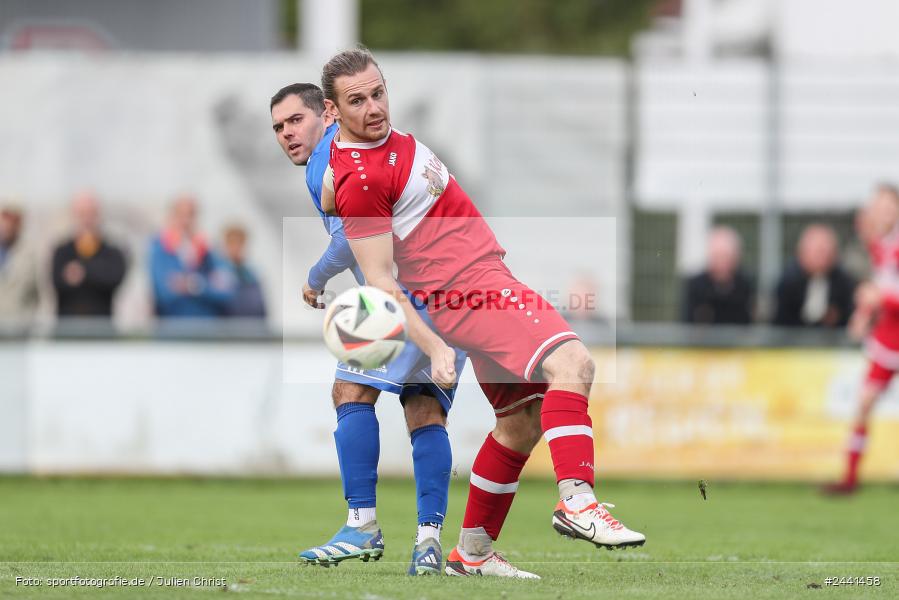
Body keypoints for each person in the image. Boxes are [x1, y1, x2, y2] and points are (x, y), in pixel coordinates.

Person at [322, 48, 645, 578]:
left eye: (378, 92)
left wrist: (334, 176)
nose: (375, 107)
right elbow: (380, 280)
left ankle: (471, 552)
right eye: (357, 100)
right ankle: (578, 501)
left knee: (522, 420)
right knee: (574, 364)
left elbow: (335, 186)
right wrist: (434, 346)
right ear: (334, 110)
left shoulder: (356, 156)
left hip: (476, 280)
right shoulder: (362, 177)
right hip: (469, 289)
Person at [270, 83, 468, 575]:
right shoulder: (383, 146)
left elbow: (346, 242)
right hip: (454, 293)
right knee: (424, 411)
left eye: (296, 120)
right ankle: (427, 541)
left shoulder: (330, 159)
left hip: (404, 294)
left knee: (349, 392)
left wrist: (314, 280)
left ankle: (361, 524)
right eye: (278, 127)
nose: (288, 134)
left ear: (327, 115)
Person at [823, 185, 899, 495]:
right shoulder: (880, 247)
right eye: (876, 206)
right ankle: (850, 479)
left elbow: (884, 293)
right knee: (864, 403)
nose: (880, 212)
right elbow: (880, 291)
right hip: (888, 338)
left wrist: (878, 298)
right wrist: (864, 313)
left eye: (886, 206)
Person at [149, 196, 235, 318]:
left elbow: (226, 292)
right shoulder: (159, 249)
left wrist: (191, 285)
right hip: (172, 330)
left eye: (191, 215)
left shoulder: (209, 250)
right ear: (171, 216)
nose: (185, 221)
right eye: (180, 214)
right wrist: (206, 285)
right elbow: (164, 294)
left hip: (208, 329)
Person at [51, 191, 127, 318]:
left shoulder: (112, 252)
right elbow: (57, 282)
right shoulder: (62, 251)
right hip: (68, 331)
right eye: (82, 214)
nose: (87, 220)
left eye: (91, 214)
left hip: (101, 331)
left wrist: (83, 271)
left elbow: (113, 277)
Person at [772, 224, 855, 328]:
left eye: (827, 252)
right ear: (802, 252)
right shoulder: (789, 282)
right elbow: (780, 321)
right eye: (818, 252)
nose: (823, 258)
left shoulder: (844, 283)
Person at [682, 226, 754, 325]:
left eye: (724, 256)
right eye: (717, 256)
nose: (721, 262)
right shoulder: (696, 286)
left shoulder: (745, 285)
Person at [0, 203, 39, 323]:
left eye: (12, 220)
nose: (7, 225)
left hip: (18, 332)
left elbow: (38, 295)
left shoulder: (30, 253)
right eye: (4, 218)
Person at [220, 224, 266, 319]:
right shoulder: (218, 273)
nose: (236, 248)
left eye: (240, 243)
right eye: (232, 243)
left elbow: (261, 308)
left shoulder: (252, 276)